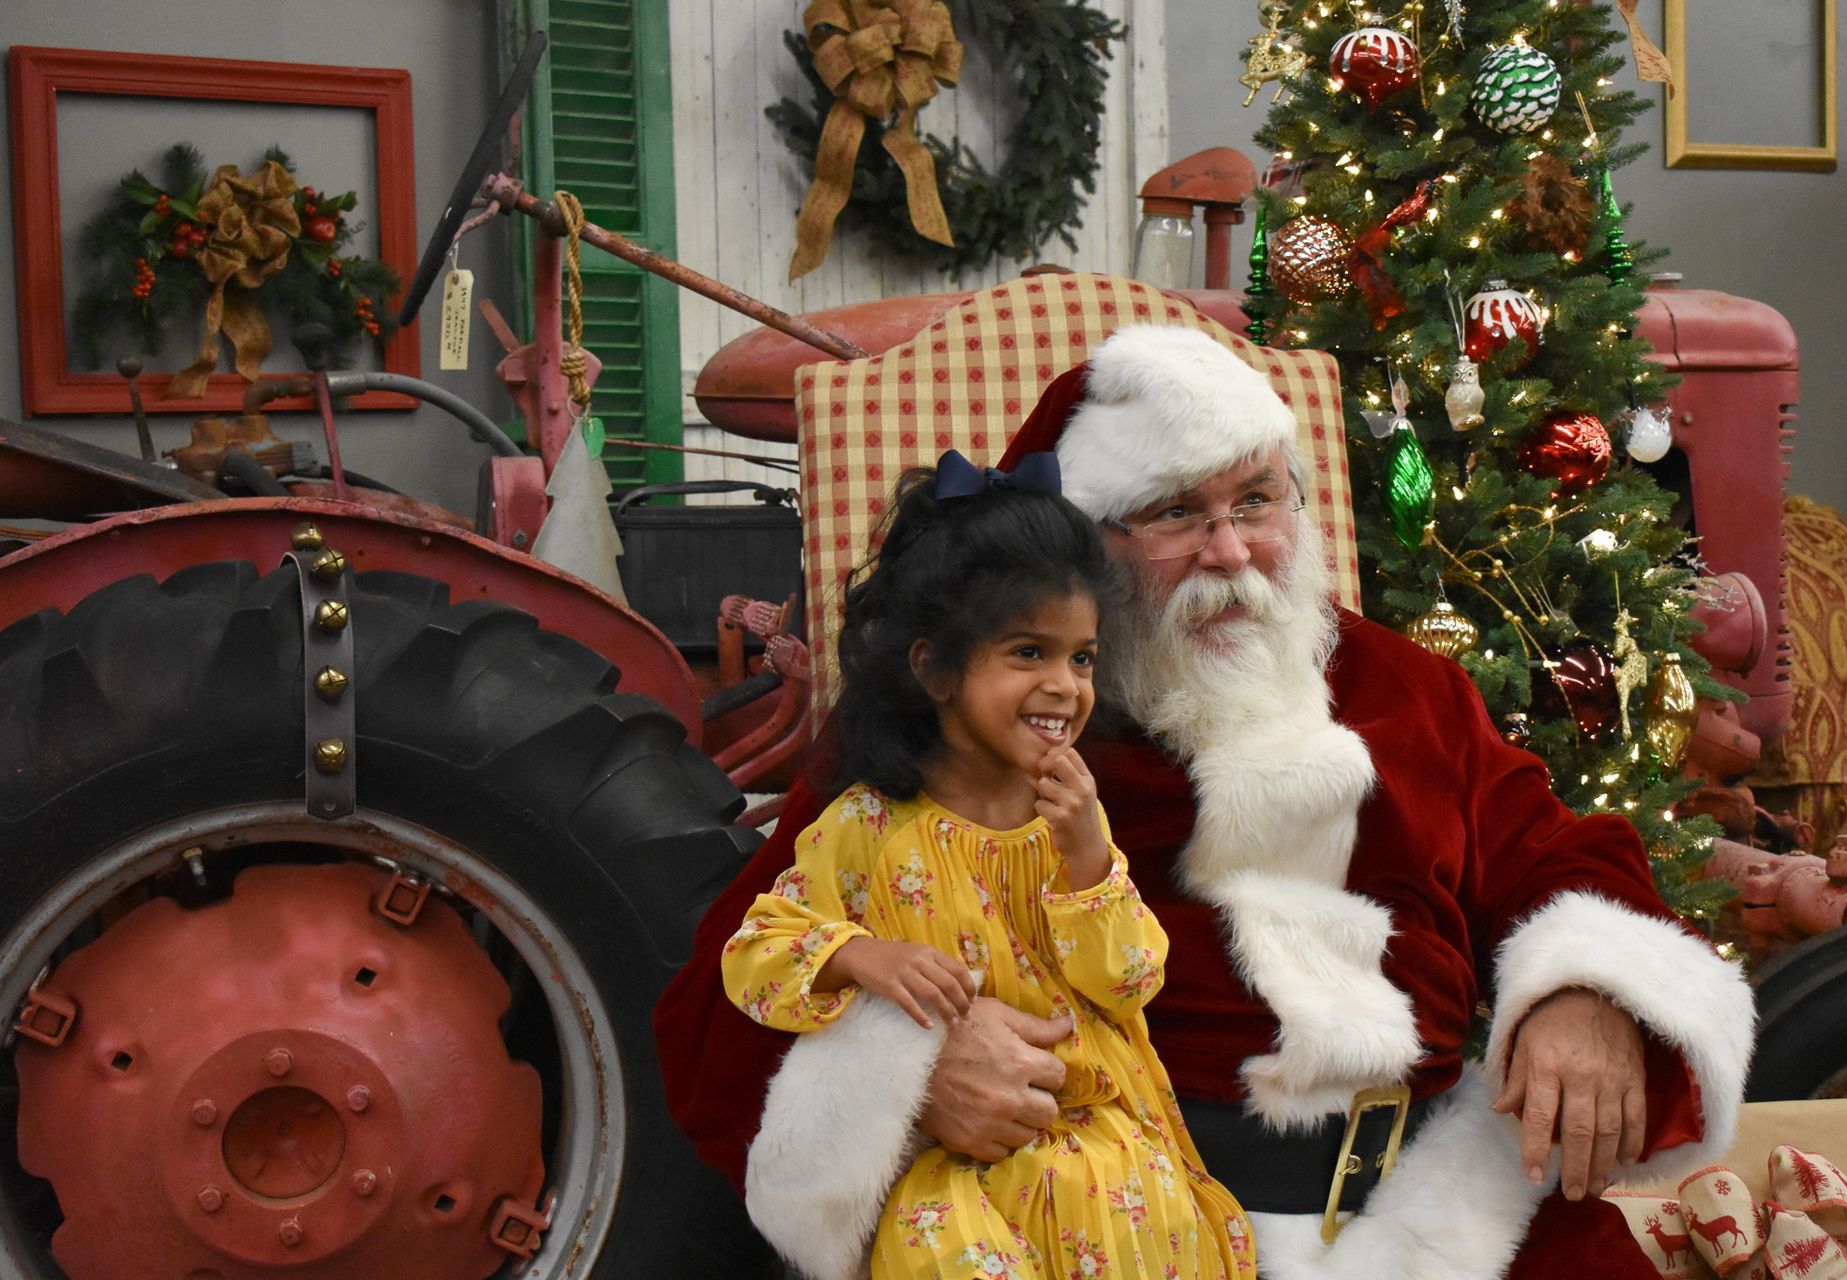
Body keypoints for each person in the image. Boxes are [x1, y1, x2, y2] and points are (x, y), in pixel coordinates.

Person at [656, 324, 1756, 1280]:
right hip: (1106, 1223)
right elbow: (717, 1000)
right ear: (1083, 549)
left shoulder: (1401, 688)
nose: (1232, 552)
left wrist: (1587, 994)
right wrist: (906, 1069)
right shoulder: (953, 736)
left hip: (1446, 1208)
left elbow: (1562, 855)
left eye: (1257, 500)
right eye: (1176, 512)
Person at [721, 450, 1256, 1279]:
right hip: (960, 1166)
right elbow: (754, 955)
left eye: (1081, 658)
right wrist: (858, 956)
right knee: (939, 1251)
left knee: (1141, 1226)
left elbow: (1132, 981)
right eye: (1028, 653)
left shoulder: (1070, 820)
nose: (1065, 686)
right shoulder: (866, 828)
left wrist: (1088, 863)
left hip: (1102, 1138)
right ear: (932, 666)